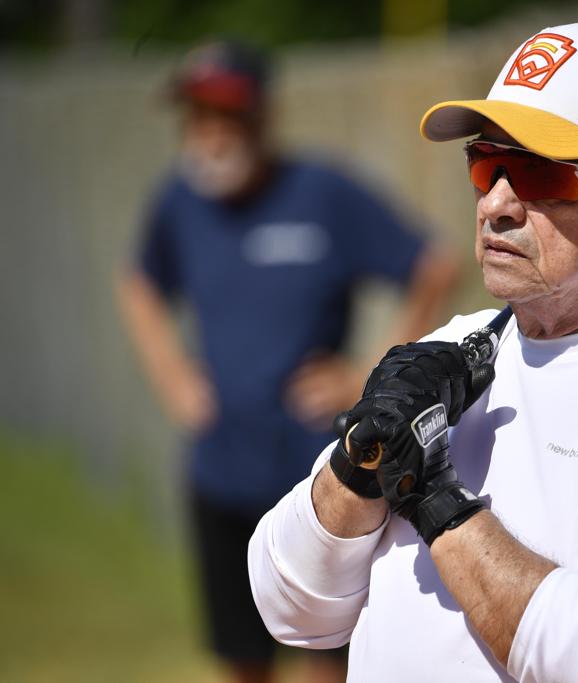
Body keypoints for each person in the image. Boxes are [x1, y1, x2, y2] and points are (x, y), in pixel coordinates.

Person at [248, 22, 578, 682]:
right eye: (487, 163)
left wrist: (435, 500)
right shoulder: (450, 347)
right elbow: (289, 606)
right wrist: (360, 466)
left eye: (540, 172)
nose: (496, 203)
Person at [117, 40, 460, 683]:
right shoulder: (180, 202)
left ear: (261, 115)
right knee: (243, 660)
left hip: (318, 478)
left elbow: (434, 266)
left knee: (325, 659)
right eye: (197, 115)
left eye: (224, 114)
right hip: (221, 470)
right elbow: (139, 283)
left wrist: (365, 377)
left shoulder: (321, 193)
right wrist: (175, 378)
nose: (209, 133)